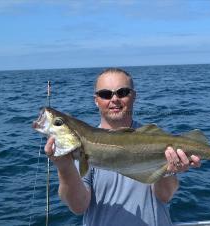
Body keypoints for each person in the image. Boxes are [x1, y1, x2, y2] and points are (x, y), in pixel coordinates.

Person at [45, 68, 201, 226]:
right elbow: (79, 206)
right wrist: (64, 166)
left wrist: (169, 171)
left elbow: (165, 196)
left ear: (134, 96)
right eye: (105, 94)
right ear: (96, 100)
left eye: (122, 92)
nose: (114, 99)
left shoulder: (156, 139)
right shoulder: (80, 147)